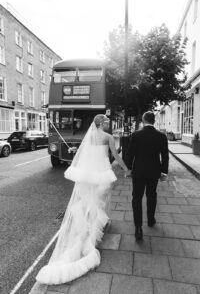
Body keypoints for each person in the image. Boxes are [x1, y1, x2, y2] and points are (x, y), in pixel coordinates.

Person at [36, 114, 131, 285]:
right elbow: (115, 155)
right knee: (97, 204)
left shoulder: (89, 137)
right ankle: (89, 240)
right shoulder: (107, 137)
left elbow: (82, 152)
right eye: (107, 121)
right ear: (101, 123)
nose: (109, 124)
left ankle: (85, 234)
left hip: (88, 176)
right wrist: (127, 169)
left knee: (88, 204)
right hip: (101, 175)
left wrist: (73, 151)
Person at [127, 111, 169, 241]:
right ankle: (150, 220)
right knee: (152, 195)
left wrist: (129, 169)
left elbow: (130, 154)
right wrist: (164, 172)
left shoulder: (135, 135)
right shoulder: (161, 136)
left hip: (138, 171)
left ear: (143, 121)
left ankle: (138, 228)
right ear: (154, 121)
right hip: (154, 171)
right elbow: (165, 156)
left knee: (137, 198)